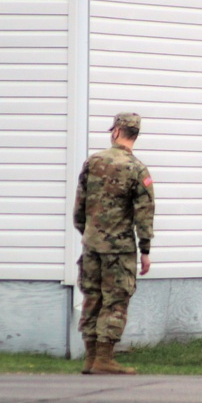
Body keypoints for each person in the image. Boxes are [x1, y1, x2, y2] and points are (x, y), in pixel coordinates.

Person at [73, 112, 154, 375]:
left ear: (116, 131)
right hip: (119, 249)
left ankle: (90, 358)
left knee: (92, 297)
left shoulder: (93, 162)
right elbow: (144, 214)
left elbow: (79, 207)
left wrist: (88, 233)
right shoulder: (138, 170)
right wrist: (145, 250)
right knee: (115, 300)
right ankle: (104, 359)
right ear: (135, 135)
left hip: (91, 245)